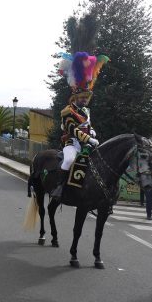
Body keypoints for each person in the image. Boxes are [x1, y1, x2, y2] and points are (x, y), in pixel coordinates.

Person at [50, 52, 110, 202]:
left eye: (86, 98)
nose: (85, 100)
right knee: (69, 159)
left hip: (86, 142)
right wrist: (89, 138)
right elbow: (72, 129)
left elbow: (87, 124)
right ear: (75, 97)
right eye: (82, 98)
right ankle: (60, 186)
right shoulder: (67, 111)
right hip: (71, 142)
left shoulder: (86, 111)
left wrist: (92, 131)